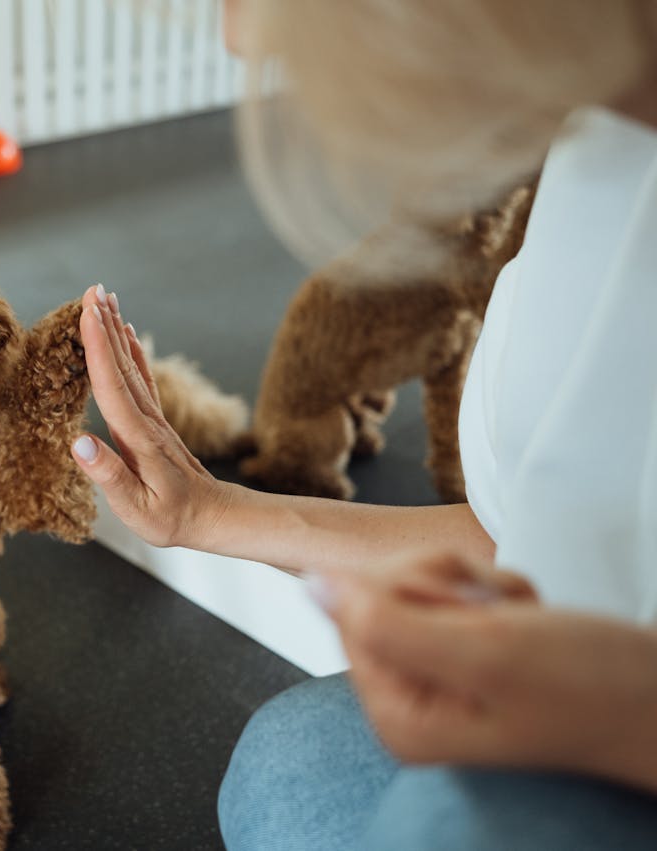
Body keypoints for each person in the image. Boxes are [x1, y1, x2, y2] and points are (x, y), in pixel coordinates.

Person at [68, 1, 657, 848]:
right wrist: (205, 511)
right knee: (287, 761)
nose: (240, 37)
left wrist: (607, 716)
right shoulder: (587, 164)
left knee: (443, 821)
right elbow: (537, 536)